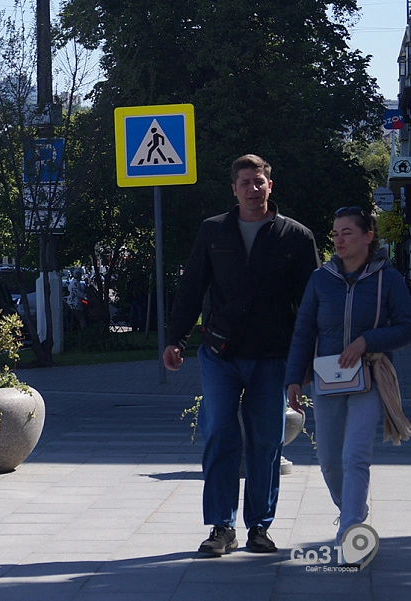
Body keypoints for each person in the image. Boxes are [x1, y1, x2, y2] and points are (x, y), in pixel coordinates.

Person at [162, 154, 319, 556]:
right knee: (219, 432)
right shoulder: (213, 231)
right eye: (245, 182)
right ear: (233, 189)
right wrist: (176, 339)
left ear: (270, 186)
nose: (253, 188)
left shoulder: (296, 237)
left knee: (266, 441)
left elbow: (311, 305)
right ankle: (221, 526)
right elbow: (192, 288)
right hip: (221, 353)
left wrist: (305, 363)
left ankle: (260, 527)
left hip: (272, 355)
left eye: (259, 181)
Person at [284, 206, 411, 547]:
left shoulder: (389, 279)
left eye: (347, 233)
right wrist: (294, 378)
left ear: (368, 236)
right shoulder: (320, 278)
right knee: (328, 460)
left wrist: (368, 341)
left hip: (369, 378)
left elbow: (406, 327)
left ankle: (350, 531)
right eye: (335, 234)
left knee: (355, 456)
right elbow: (303, 330)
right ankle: (351, 508)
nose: (339, 240)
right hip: (327, 379)